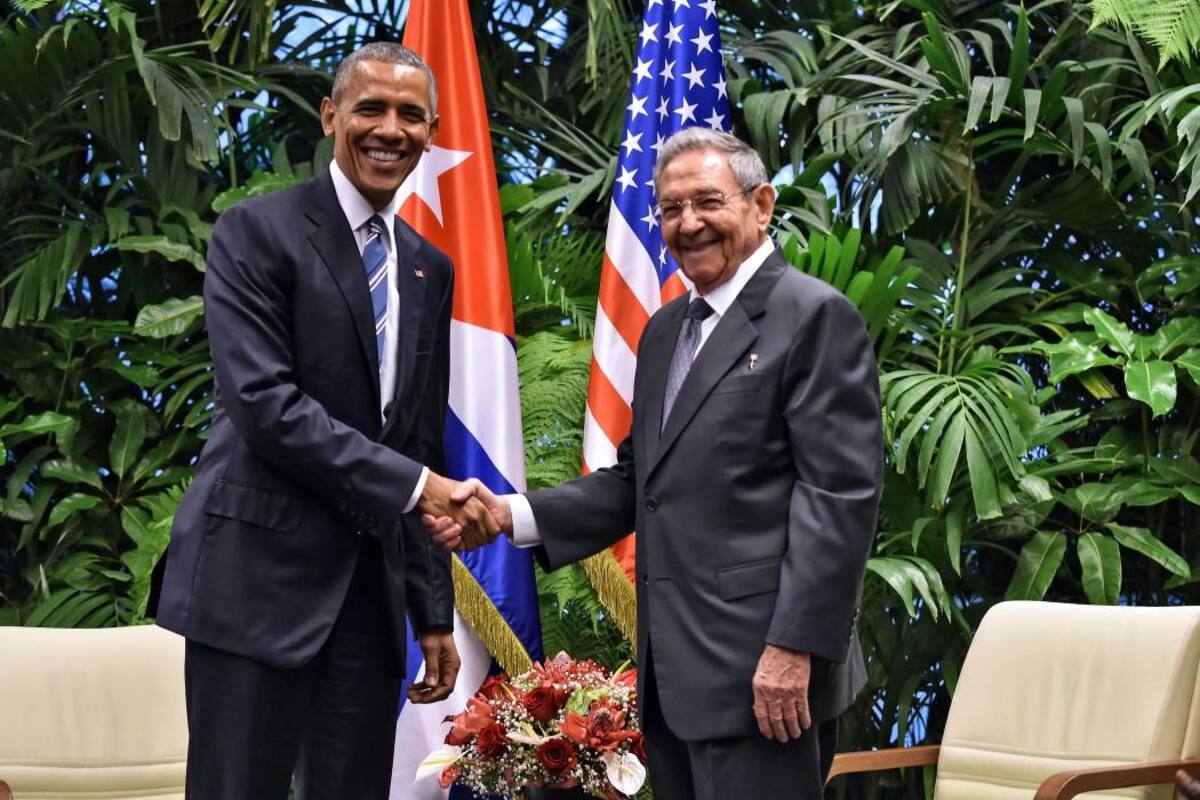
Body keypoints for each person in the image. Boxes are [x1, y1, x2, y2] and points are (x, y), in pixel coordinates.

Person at [428, 128, 883, 799]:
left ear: (761, 204)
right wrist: (506, 515)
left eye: (708, 202)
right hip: (675, 676)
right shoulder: (667, 329)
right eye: (671, 209)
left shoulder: (814, 316)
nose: (688, 224)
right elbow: (642, 482)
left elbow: (839, 498)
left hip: (767, 677)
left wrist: (796, 651)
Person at [151, 42, 497, 800]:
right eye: (371, 108)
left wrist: (431, 611)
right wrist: (417, 486)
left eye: (411, 115)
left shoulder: (426, 269)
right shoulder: (256, 231)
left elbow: (415, 442)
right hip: (253, 587)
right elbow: (266, 407)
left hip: (366, 606)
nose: (389, 129)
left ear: (433, 132)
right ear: (331, 114)